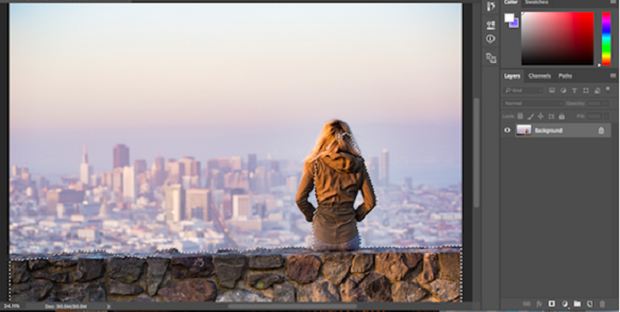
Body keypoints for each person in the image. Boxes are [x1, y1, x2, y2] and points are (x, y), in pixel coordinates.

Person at [295, 119, 376, 251]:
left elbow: (300, 199)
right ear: (348, 138)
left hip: (321, 237)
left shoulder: (315, 164)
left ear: (325, 138)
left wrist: (312, 216)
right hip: (349, 239)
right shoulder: (359, 165)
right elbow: (370, 202)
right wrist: (356, 216)